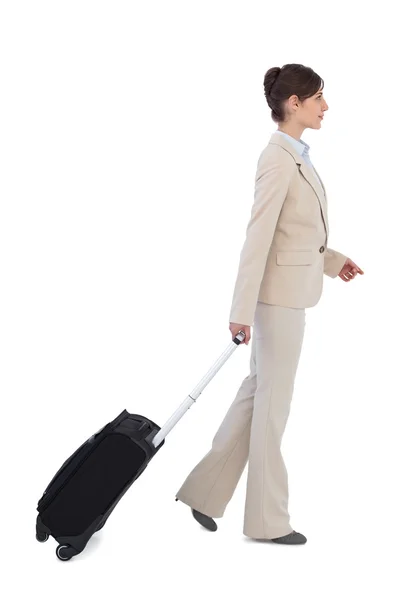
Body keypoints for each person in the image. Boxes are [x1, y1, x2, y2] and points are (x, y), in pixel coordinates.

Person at [175, 63, 364, 545]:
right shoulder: (278, 158)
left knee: (257, 393)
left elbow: (295, 231)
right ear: (293, 103)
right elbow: (258, 236)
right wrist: (240, 309)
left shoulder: (296, 154)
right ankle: (266, 521)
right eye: (318, 97)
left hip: (287, 291)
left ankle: (203, 491)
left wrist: (333, 260)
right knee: (273, 407)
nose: (326, 106)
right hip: (277, 300)